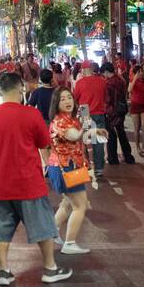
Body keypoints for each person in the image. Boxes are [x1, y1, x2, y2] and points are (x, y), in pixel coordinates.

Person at [0, 70, 73, 287]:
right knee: (43, 226)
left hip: (0, 183)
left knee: (0, 231)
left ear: (0, 90)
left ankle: (3, 271)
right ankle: (50, 267)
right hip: (29, 181)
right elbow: (43, 144)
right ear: (21, 89)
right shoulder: (32, 115)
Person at [46, 86, 93, 254]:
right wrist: (86, 124)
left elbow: (84, 137)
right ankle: (70, 243)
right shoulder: (60, 121)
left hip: (70, 166)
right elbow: (74, 136)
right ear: (56, 103)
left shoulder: (71, 119)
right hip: (66, 167)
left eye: (69, 97)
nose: (67, 101)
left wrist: (90, 128)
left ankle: (51, 233)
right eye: (63, 99)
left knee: (67, 203)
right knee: (80, 206)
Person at [73, 61, 109, 176]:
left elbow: (75, 98)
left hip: (85, 111)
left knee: (87, 141)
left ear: (84, 70)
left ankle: (88, 166)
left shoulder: (80, 83)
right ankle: (99, 168)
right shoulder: (102, 82)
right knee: (98, 141)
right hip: (99, 111)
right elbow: (105, 98)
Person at [101, 62, 135, 165]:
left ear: (107, 72)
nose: (104, 76)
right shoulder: (121, 80)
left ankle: (113, 158)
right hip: (121, 110)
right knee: (121, 133)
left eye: (104, 73)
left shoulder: (108, 84)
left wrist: (106, 110)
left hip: (112, 111)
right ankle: (128, 156)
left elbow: (108, 100)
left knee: (111, 135)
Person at [129, 62, 144, 156]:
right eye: (139, 71)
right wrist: (135, 78)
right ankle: (137, 147)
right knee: (136, 128)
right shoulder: (132, 80)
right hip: (135, 105)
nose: (141, 73)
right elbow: (129, 90)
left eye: (141, 71)